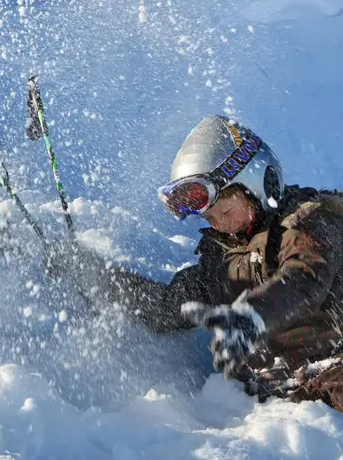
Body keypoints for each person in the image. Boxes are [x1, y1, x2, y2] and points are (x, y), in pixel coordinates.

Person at [62, 115, 343, 411]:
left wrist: (252, 316)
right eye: (210, 219)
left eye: (226, 211)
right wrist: (92, 276)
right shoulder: (220, 262)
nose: (221, 225)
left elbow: (304, 278)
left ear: (258, 185)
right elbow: (167, 307)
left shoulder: (311, 223)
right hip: (281, 399)